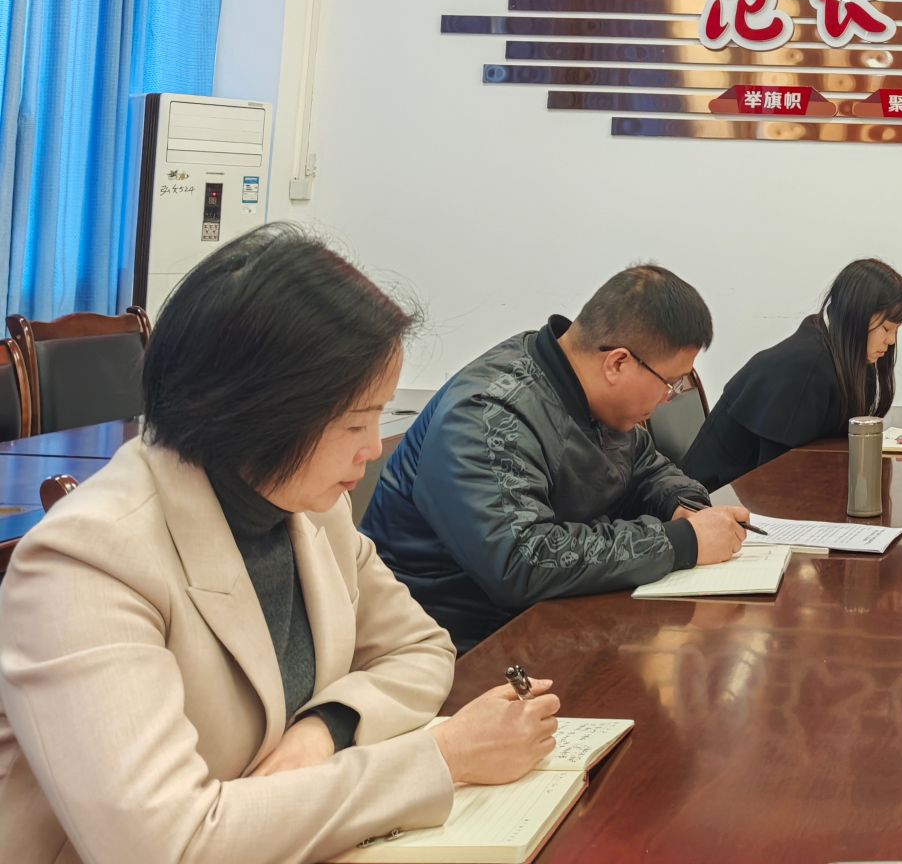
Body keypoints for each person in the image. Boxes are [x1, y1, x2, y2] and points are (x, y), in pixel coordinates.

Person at [0, 226, 558, 864]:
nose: (372, 448)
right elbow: (166, 846)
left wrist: (324, 731)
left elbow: (420, 648)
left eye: (378, 416)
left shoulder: (309, 508)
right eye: (355, 422)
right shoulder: (87, 564)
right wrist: (441, 758)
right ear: (257, 412)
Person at [363, 263, 749, 651]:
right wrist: (681, 541)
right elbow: (521, 561)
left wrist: (684, 506)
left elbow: (647, 469)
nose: (669, 398)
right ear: (617, 363)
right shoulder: (490, 413)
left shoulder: (589, 395)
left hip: (549, 621)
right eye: (670, 383)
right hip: (452, 645)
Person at [684, 259, 902, 492]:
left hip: (753, 494)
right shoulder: (806, 368)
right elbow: (776, 479)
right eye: (887, 328)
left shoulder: (839, 355)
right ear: (855, 317)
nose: (891, 341)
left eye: (896, 331)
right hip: (709, 499)